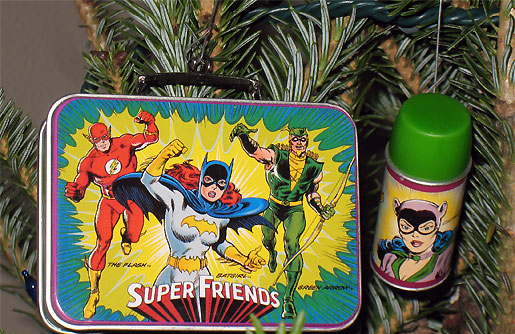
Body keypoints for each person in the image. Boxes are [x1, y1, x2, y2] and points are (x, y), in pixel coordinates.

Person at [112, 139, 273, 320]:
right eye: (209, 180)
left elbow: (220, 243)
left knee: (205, 322)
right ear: (201, 179)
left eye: (221, 183)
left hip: (202, 277)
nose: (214, 187)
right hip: (174, 275)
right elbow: (148, 180)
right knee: (164, 322)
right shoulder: (177, 200)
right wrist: (164, 155)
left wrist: (244, 259)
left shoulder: (221, 216)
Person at [230, 123, 335, 318]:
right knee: (268, 238)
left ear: (306, 142)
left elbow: (312, 194)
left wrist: (321, 208)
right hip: (274, 207)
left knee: (292, 244)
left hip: (295, 210)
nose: (299, 143)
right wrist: (244, 136)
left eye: (302, 140)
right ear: (290, 141)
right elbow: (257, 152)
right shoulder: (277, 156)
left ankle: (288, 300)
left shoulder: (314, 168)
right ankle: (272, 253)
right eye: (295, 139)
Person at [65, 111, 159, 319]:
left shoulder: (124, 143)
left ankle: (126, 237)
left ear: (109, 134)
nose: (102, 142)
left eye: (104, 137)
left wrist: (150, 122)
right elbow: (81, 186)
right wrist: (75, 192)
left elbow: (151, 138)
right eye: (97, 140)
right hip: (109, 201)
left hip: (131, 198)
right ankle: (94, 293)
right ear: (91, 140)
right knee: (102, 243)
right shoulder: (88, 162)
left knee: (134, 235)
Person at [377, 198, 454, 283]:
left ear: (436, 229)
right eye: (406, 227)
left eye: (426, 228)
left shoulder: (441, 261)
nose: (415, 235)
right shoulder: (390, 259)